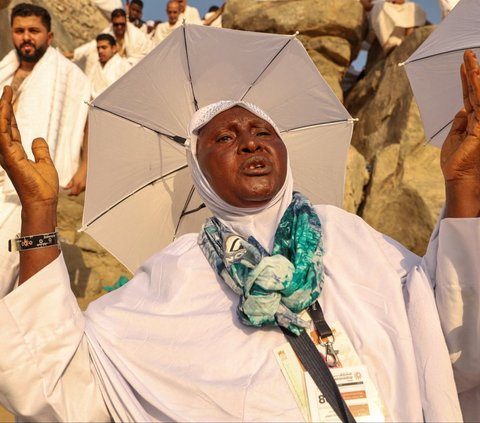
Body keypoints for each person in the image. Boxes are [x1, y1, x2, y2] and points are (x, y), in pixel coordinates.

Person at [0, 48, 480, 421]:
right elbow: (57, 383)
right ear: (198, 170)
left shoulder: (350, 237)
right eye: (224, 138)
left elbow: (451, 334)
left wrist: (461, 187)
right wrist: (40, 212)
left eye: (262, 132)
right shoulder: (173, 278)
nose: (249, 140)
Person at [0, 3, 90, 297]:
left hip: (30, 181)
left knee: (9, 257)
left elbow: (86, 118)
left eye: (33, 31)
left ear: (49, 36)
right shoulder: (3, 70)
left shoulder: (69, 76)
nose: (26, 37)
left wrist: (84, 166)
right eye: (20, 30)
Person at [66, 8, 154, 75]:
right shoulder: (107, 32)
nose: (119, 27)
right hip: (111, 72)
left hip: (132, 70)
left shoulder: (137, 35)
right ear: (112, 23)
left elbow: (145, 54)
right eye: (116, 24)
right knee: (92, 58)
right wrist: (73, 54)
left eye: (122, 24)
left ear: (126, 22)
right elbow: (91, 46)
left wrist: (125, 63)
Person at [360, 0, 426, 53]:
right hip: (376, 10)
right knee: (381, 6)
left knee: (412, 6)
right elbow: (366, 6)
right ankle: (387, 43)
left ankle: (409, 32)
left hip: (393, 7)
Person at [87, 33, 131, 98]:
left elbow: (126, 90)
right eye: (98, 48)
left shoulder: (123, 65)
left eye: (104, 47)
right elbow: (88, 88)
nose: (100, 51)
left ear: (114, 48)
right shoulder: (95, 67)